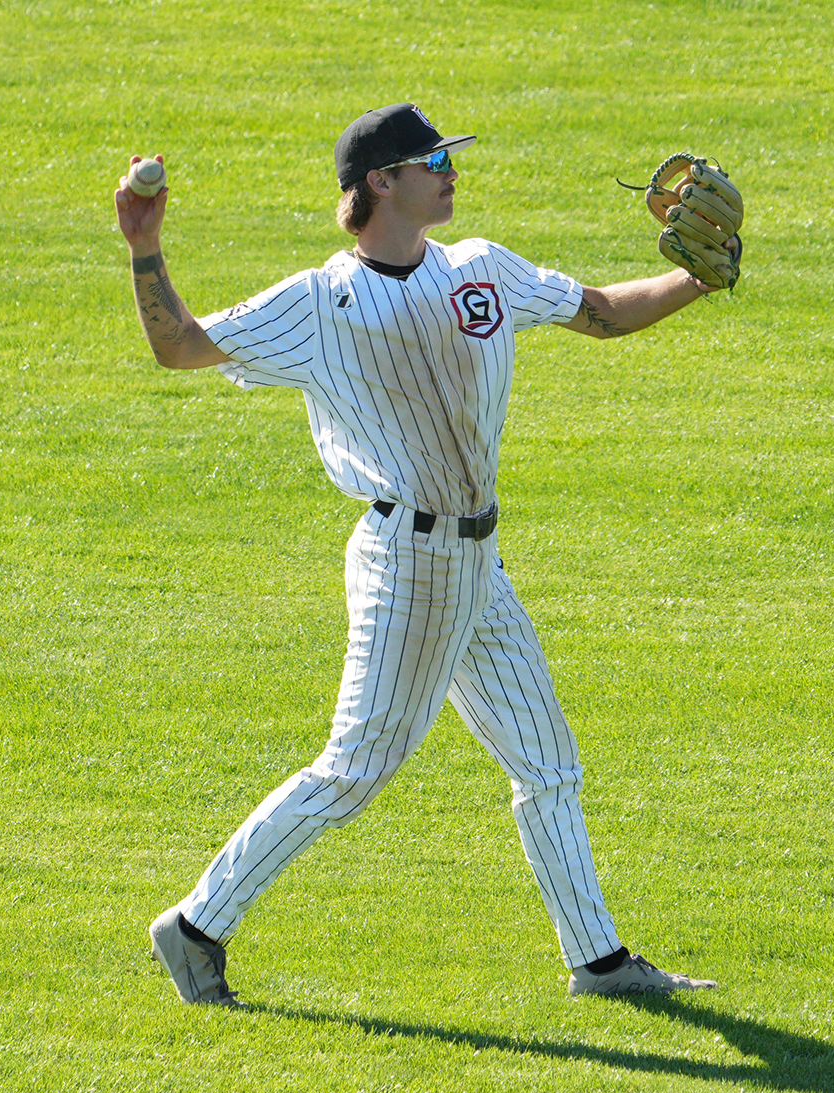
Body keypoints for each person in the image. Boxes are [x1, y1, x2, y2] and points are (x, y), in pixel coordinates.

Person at [114, 103, 728, 1006]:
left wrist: (698, 282)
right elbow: (177, 346)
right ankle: (197, 924)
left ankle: (598, 963)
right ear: (381, 181)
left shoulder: (480, 269)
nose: (452, 169)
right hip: (409, 562)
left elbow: (598, 313)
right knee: (356, 765)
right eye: (434, 157)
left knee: (548, 762)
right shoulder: (321, 303)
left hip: (477, 560)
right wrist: (144, 245)